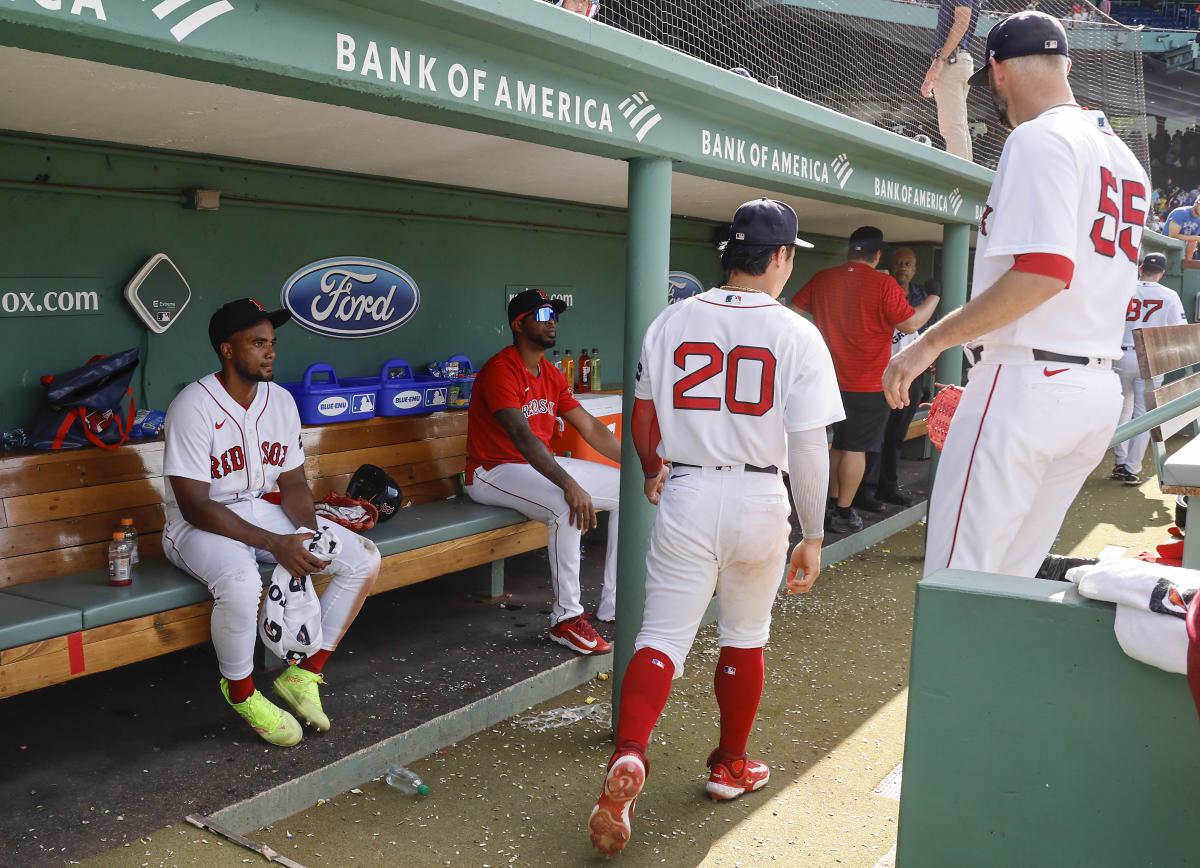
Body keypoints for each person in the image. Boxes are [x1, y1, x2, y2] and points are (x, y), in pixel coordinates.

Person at [587, 198, 844, 856]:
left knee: (662, 638)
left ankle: (632, 754)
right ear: (780, 256)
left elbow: (642, 415)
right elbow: (810, 448)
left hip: (689, 487)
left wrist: (650, 468)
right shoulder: (796, 332)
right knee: (744, 635)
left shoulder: (672, 319)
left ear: (731, 253)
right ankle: (730, 766)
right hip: (761, 493)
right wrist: (813, 533)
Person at [882, 11, 1151, 579]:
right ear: (1067, 65)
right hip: (1091, 392)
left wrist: (928, 344)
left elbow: (1045, 273)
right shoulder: (1126, 159)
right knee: (1010, 583)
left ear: (997, 72)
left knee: (958, 585)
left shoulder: (1039, 137)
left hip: (1026, 387)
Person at [162, 299, 382, 747]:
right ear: (227, 349)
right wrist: (276, 543)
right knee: (241, 582)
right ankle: (241, 692)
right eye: (258, 342)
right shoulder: (192, 406)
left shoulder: (280, 400)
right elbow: (194, 506)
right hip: (195, 524)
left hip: (261, 507)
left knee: (362, 557)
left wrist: (303, 532)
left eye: (272, 343)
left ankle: (303, 674)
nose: (270, 352)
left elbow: (296, 482)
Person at [465, 288, 621, 655]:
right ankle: (566, 619)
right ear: (519, 325)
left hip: (533, 467)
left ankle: (615, 601)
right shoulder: (500, 369)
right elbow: (521, 436)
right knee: (565, 506)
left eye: (555, 316)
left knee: (626, 489)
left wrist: (642, 465)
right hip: (492, 471)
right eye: (543, 316)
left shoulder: (551, 374)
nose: (553, 323)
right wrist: (569, 483)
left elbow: (592, 428)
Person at [789, 227, 939, 532]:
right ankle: (843, 511)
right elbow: (910, 324)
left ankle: (829, 506)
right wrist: (934, 298)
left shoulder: (823, 278)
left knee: (839, 446)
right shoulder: (882, 283)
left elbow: (792, 312)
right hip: (868, 383)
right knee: (854, 449)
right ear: (878, 255)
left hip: (829, 382)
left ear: (850, 250)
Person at [867, 248, 941, 506]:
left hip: (912, 375)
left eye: (908, 264)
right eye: (898, 263)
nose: (902, 268)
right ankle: (868, 489)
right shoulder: (881, 289)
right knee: (877, 434)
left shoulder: (920, 294)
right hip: (882, 372)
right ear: (890, 265)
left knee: (896, 434)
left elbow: (932, 329)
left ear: (914, 268)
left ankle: (888, 486)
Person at [1112, 253, 1187, 485]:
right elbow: (1179, 332)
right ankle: (1133, 469)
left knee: (1122, 409)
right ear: (1162, 272)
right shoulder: (1170, 295)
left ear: (1141, 268)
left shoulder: (1122, 288)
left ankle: (1120, 462)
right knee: (1143, 414)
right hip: (1151, 358)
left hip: (1121, 354)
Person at [922, 0, 980, 161]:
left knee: (952, 128)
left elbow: (962, 22)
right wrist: (934, 70)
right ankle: (966, 176)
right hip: (956, 60)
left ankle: (958, 181)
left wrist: (939, 61)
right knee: (958, 126)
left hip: (951, 61)